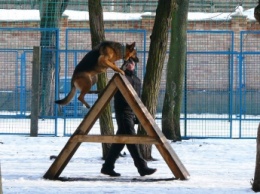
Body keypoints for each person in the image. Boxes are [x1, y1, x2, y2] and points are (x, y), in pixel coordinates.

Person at [101, 58, 157, 177]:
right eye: (128, 63)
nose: (130, 65)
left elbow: (138, 97)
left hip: (132, 113)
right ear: (124, 65)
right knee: (131, 138)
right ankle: (142, 167)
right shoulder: (121, 77)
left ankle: (107, 166)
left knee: (121, 141)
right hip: (123, 112)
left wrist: (137, 115)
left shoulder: (136, 80)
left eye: (132, 63)